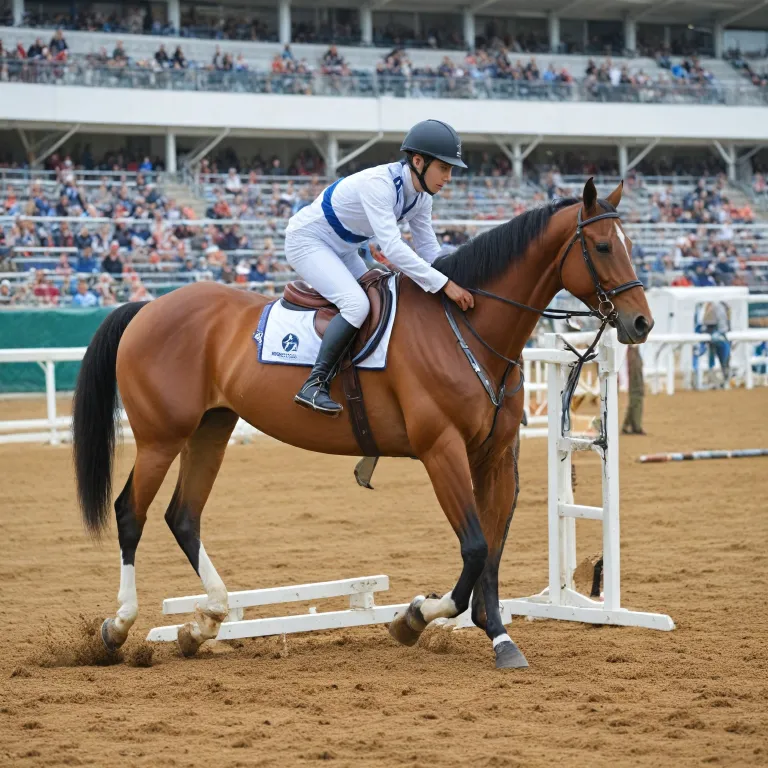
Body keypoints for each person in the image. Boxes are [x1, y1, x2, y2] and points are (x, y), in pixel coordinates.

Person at [284, 119, 473, 415]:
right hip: (308, 240)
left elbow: (428, 250)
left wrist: (457, 276)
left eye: (450, 170)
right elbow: (393, 248)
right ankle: (314, 383)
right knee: (357, 304)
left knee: (386, 295)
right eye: (444, 168)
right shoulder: (380, 184)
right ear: (418, 161)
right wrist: (444, 284)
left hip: (343, 247)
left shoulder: (421, 198)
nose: (448, 177)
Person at [622, 345, 646, 435]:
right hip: (633, 348)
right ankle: (634, 426)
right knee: (637, 393)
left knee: (637, 394)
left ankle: (630, 425)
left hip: (633, 348)